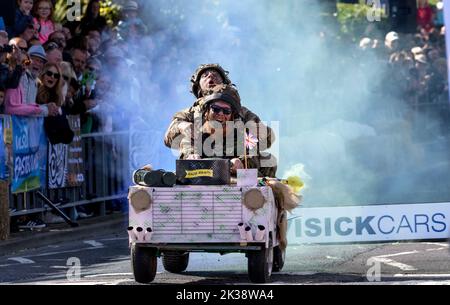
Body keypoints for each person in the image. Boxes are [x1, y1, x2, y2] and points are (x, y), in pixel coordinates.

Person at [164, 63, 276, 177]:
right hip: (201, 163)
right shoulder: (191, 113)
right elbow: (169, 138)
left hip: (234, 162)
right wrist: (182, 126)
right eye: (205, 76)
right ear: (198, 85)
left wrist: (256, 133)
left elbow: (265, 139)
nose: (210, 77)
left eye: (216, 75)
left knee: (262, 153)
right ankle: (193, 166)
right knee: (186, 136)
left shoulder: (241, 112)